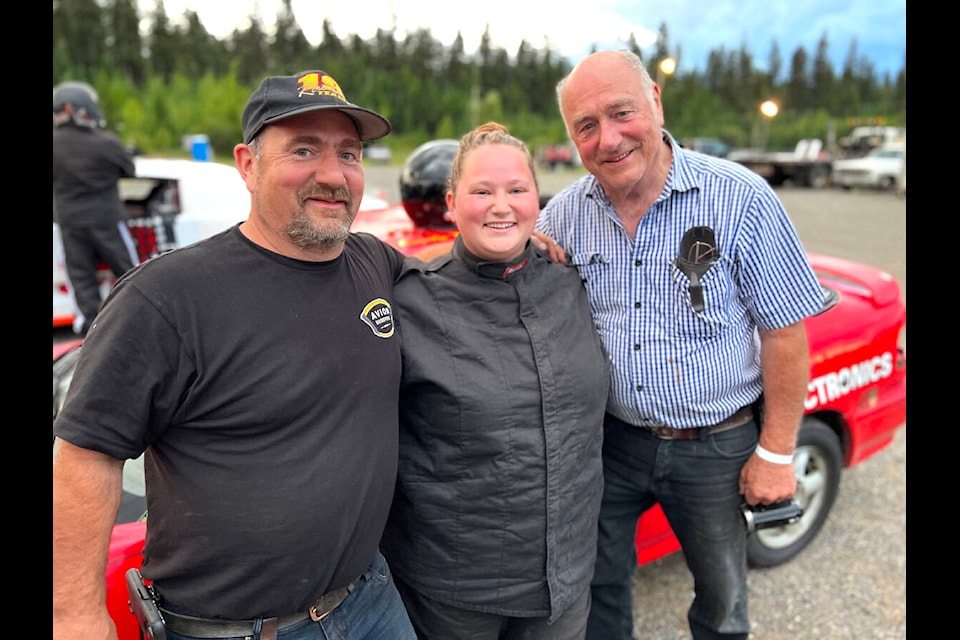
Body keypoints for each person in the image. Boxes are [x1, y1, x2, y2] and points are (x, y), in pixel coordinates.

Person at [53, 70, 417, 640]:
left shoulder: (374, 262)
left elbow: (454, 280)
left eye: (349, 153)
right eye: (303, 149)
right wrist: (74, 617)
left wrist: (528, 240)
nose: (333, 174)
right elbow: (83, 456)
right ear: (247, 165)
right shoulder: (167, 297)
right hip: (233, 630)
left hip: (369, 601)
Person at [535, 50, 826, 640]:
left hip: (716, 447)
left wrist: (775, 452)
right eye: (585, 127)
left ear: (656, 103)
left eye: (621, 113)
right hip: (612, 443)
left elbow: (784, 330)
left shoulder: (739, 198)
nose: (608, 139)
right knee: (598, 584)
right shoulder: (563, 216)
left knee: (721, 598)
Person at [380, 122, 610, 639]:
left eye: (517, 190)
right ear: (451, 203)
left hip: (566, 577)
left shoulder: (572, 280)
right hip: (454, 590)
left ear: (537, 198)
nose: (501, 206)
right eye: (481, 191)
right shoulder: (410, 298)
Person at [53, 81, 139, 336]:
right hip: (107, 218)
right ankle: (138, 319)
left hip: (69, 223)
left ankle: (92, 333)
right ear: (78, 109)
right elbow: (129, 171)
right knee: (129, 273)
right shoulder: (106, 142)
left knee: (81, 280)